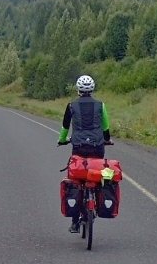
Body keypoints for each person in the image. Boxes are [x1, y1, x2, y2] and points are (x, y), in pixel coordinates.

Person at [58, 74, 112, 233]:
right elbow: (105, 126)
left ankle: (75, 222)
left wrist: (62, 140)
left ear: (78, 89)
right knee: (97, 171)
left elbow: (65, 126)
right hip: (97, 145)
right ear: (92, 89)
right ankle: (96, 198)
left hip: (79, 146)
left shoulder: (71, 106)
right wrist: (107, 139)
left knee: (75, 178)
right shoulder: (100, 105)